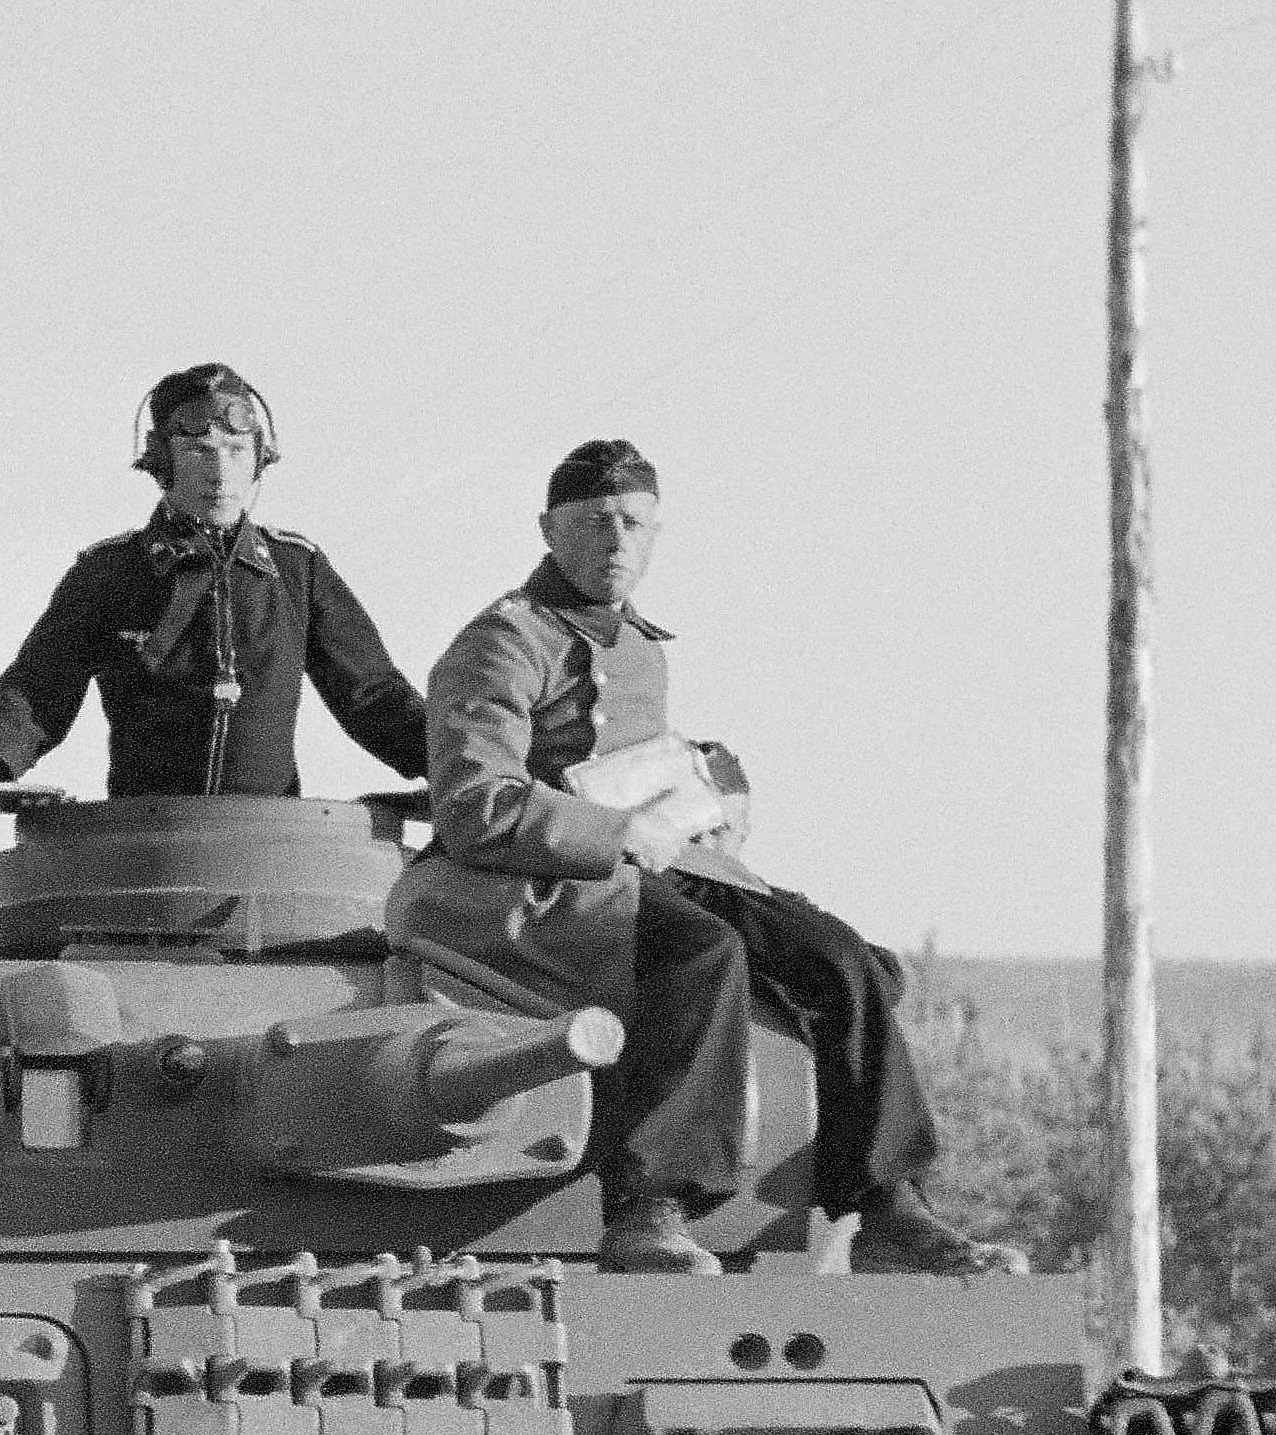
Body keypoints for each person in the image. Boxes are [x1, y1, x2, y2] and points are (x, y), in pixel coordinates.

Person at [391, 440, 1019, 1278]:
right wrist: (616, 836)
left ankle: (886, 1204)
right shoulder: (502, 644)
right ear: (549, 529)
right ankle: (651, 1203)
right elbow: (474, 806)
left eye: (632, 523)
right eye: (592, 523)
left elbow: (628, 757)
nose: (614, 540)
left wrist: (706, 792)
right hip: (525, 882)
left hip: (653, 862)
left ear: (655, 533)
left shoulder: (640, 645)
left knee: (840, 959)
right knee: (699, 955)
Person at [0, 364, 429, 818]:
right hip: (145, 847)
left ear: (260, 458)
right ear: (164, 461)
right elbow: (40, 684)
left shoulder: (297, 569)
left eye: (236, 449)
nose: (220, 471)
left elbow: (373, 694)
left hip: (270, 848)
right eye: (199, 451)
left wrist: (460, 762)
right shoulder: (109, 572)